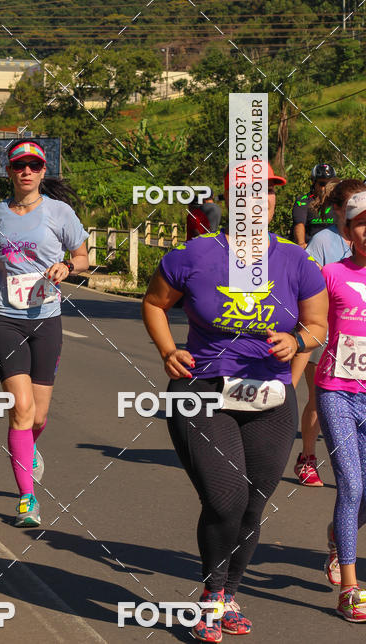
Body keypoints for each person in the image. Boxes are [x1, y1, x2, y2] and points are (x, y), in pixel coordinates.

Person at [142, 162, 328, 641]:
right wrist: (168, 350)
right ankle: (210, 595)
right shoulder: (194, 253)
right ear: (230, 199)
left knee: (252, 506)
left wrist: (298, 342)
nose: (261, 199)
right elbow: (155, 303)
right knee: (226, 499)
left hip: (270, 394)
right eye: (250, 191)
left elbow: (316, 325)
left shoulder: (296, 260)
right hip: (202, 390)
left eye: (268, 192)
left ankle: (225, 594)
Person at [0, 140, 89, 528]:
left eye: (34, 165)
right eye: (19, 165)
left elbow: (82, 256)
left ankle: (28, 448)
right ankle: (27, 499)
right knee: (21, 410)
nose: (26, 171)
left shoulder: (60, 212)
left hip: (46, 318)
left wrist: (66, 268)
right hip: (6, 318)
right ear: (8, 172)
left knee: (39, 414)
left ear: (43, 172)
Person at [294, 178, 366, 487]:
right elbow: (309, 286)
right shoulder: (323, 240)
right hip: (324, 335)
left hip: (357, 337)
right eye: (347, 205)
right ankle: (308, 456)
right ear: (336, 209)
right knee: (315, 400)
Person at [314, 189, 366, 621]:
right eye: (361, 222)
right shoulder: (330, 274)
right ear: (348, 230)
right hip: (336, 390)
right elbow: (310, 329)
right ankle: (350, 588)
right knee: (351, 484)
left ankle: (338, 534)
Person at [292, 163, 337, 248]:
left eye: (329, 183)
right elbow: (299, 223)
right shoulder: (303, 201)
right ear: (313, 182)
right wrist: (301, 244)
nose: (325, 187)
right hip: (311, 247)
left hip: (334, 247)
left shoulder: (338, 201)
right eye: (322, 184)